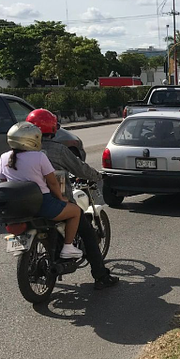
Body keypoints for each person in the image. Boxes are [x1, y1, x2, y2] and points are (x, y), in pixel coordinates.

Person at [25, 109, 119, 290]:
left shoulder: (22, 151)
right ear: (53, 128)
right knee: (88, 233)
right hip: (55, 202)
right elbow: (80, 169)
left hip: (28, 203)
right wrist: (98, 176)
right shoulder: (58, 150)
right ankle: (101, 276)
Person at [0, 122, 83, 259]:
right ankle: (68, 247)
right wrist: (61, 198)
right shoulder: (39, 157)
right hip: (41, 203)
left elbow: (3, 182)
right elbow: (52, 182)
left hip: (17, 206)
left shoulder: (4, 157)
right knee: (75, 211)